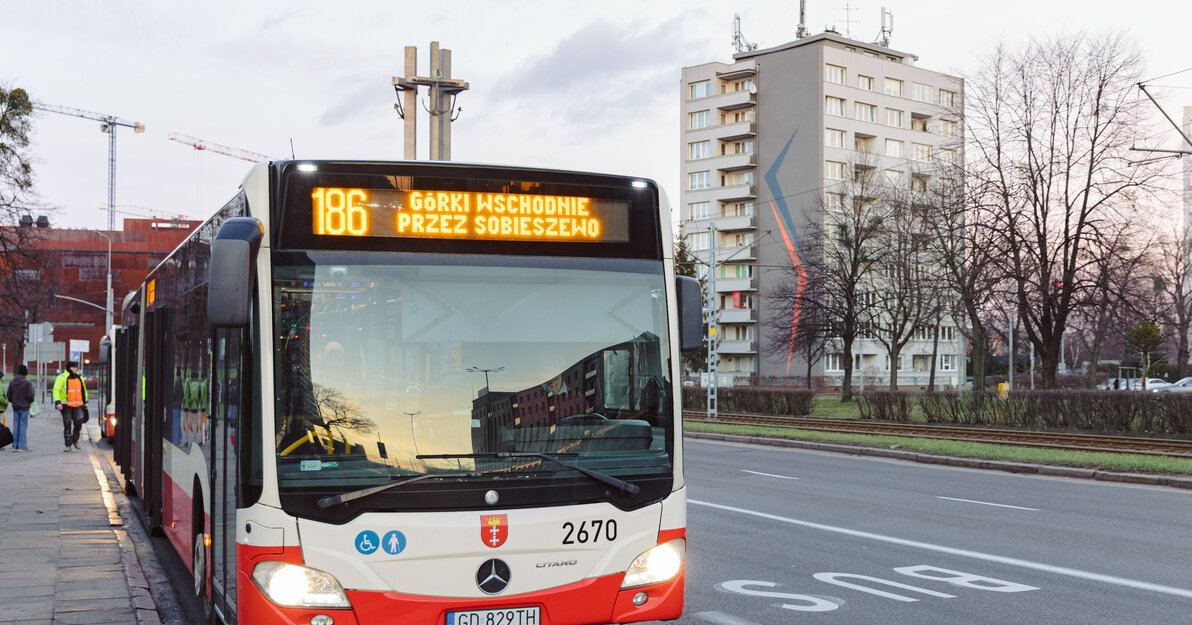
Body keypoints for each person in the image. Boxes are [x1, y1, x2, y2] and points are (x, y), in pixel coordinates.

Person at [53, 361, 88, 451]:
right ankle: (68, 445)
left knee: (79, 421)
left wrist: (85, 402)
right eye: (74, 367)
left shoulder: (79, 378)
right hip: (66, 405)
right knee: (67, 423)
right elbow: (56, 390)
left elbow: (83, 390)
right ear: (69, 368)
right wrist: (58, 402)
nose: (76, 369)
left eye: (76, 367)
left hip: (78, 405)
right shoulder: (61, 377)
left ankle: (75, 439)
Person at [7, 365, 36, 452]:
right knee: (23, 425)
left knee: (16, 425)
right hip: (24, 407)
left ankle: (15, 444)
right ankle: (22, 445)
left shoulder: (12, 382)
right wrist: (30, 401)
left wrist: (13, 401)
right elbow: (30, 395)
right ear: (25, 373)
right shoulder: (27, 383)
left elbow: (9, 395)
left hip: (15, 406)